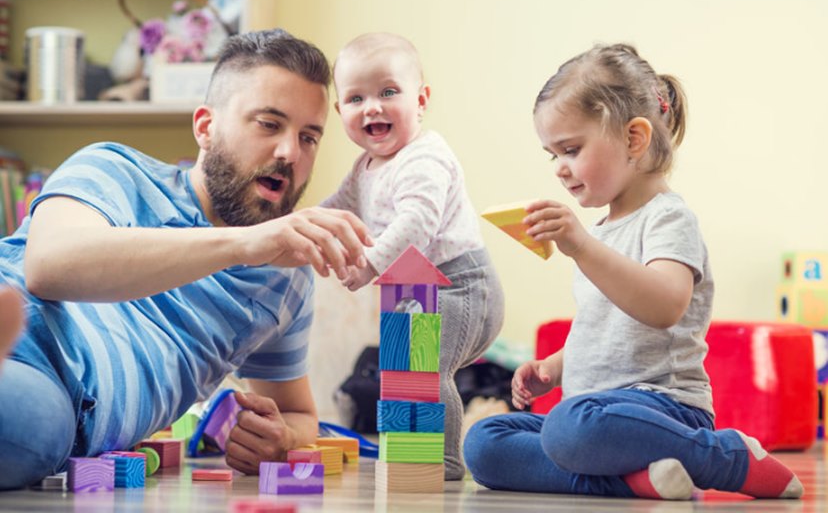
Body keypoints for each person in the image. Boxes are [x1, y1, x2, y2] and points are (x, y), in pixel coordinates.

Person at [0, 29, 373, 490]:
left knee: (30, 426)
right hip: (20, 319)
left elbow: (301, 415)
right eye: (269, 124)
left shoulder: (284, 277)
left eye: (309, 137)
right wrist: (242, 243)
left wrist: (280, 437)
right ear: (205, 127)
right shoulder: (114, 168)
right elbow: (48, 266)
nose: (289, 153)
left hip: (59, 401)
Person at [462, 43, 803, 500]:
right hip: (595, 411)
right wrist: (554, 368)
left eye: (571, 149)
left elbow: (664, 306)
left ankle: (722, 456)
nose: (560, 170)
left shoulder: (667, 218)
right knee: (484, 443)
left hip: (664, 410)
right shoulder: (600, 232)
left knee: (568, 429)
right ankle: (637, 482)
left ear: (633, 139)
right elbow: (603, 325)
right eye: (552, 155)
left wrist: (581, 245)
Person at [321, 32, 505, 480]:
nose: (373, 107)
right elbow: (334, 210)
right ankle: (407, 454)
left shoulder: (425, 157)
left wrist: (368, 262)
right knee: (399, 372)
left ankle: (442, 460)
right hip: (412, 286)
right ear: (340, 110)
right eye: (356, 98)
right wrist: (297, 228)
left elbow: (416, 224)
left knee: (427, 368)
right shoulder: (364, 168)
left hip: (462, 285)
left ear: (420, 100)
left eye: (388, 92)